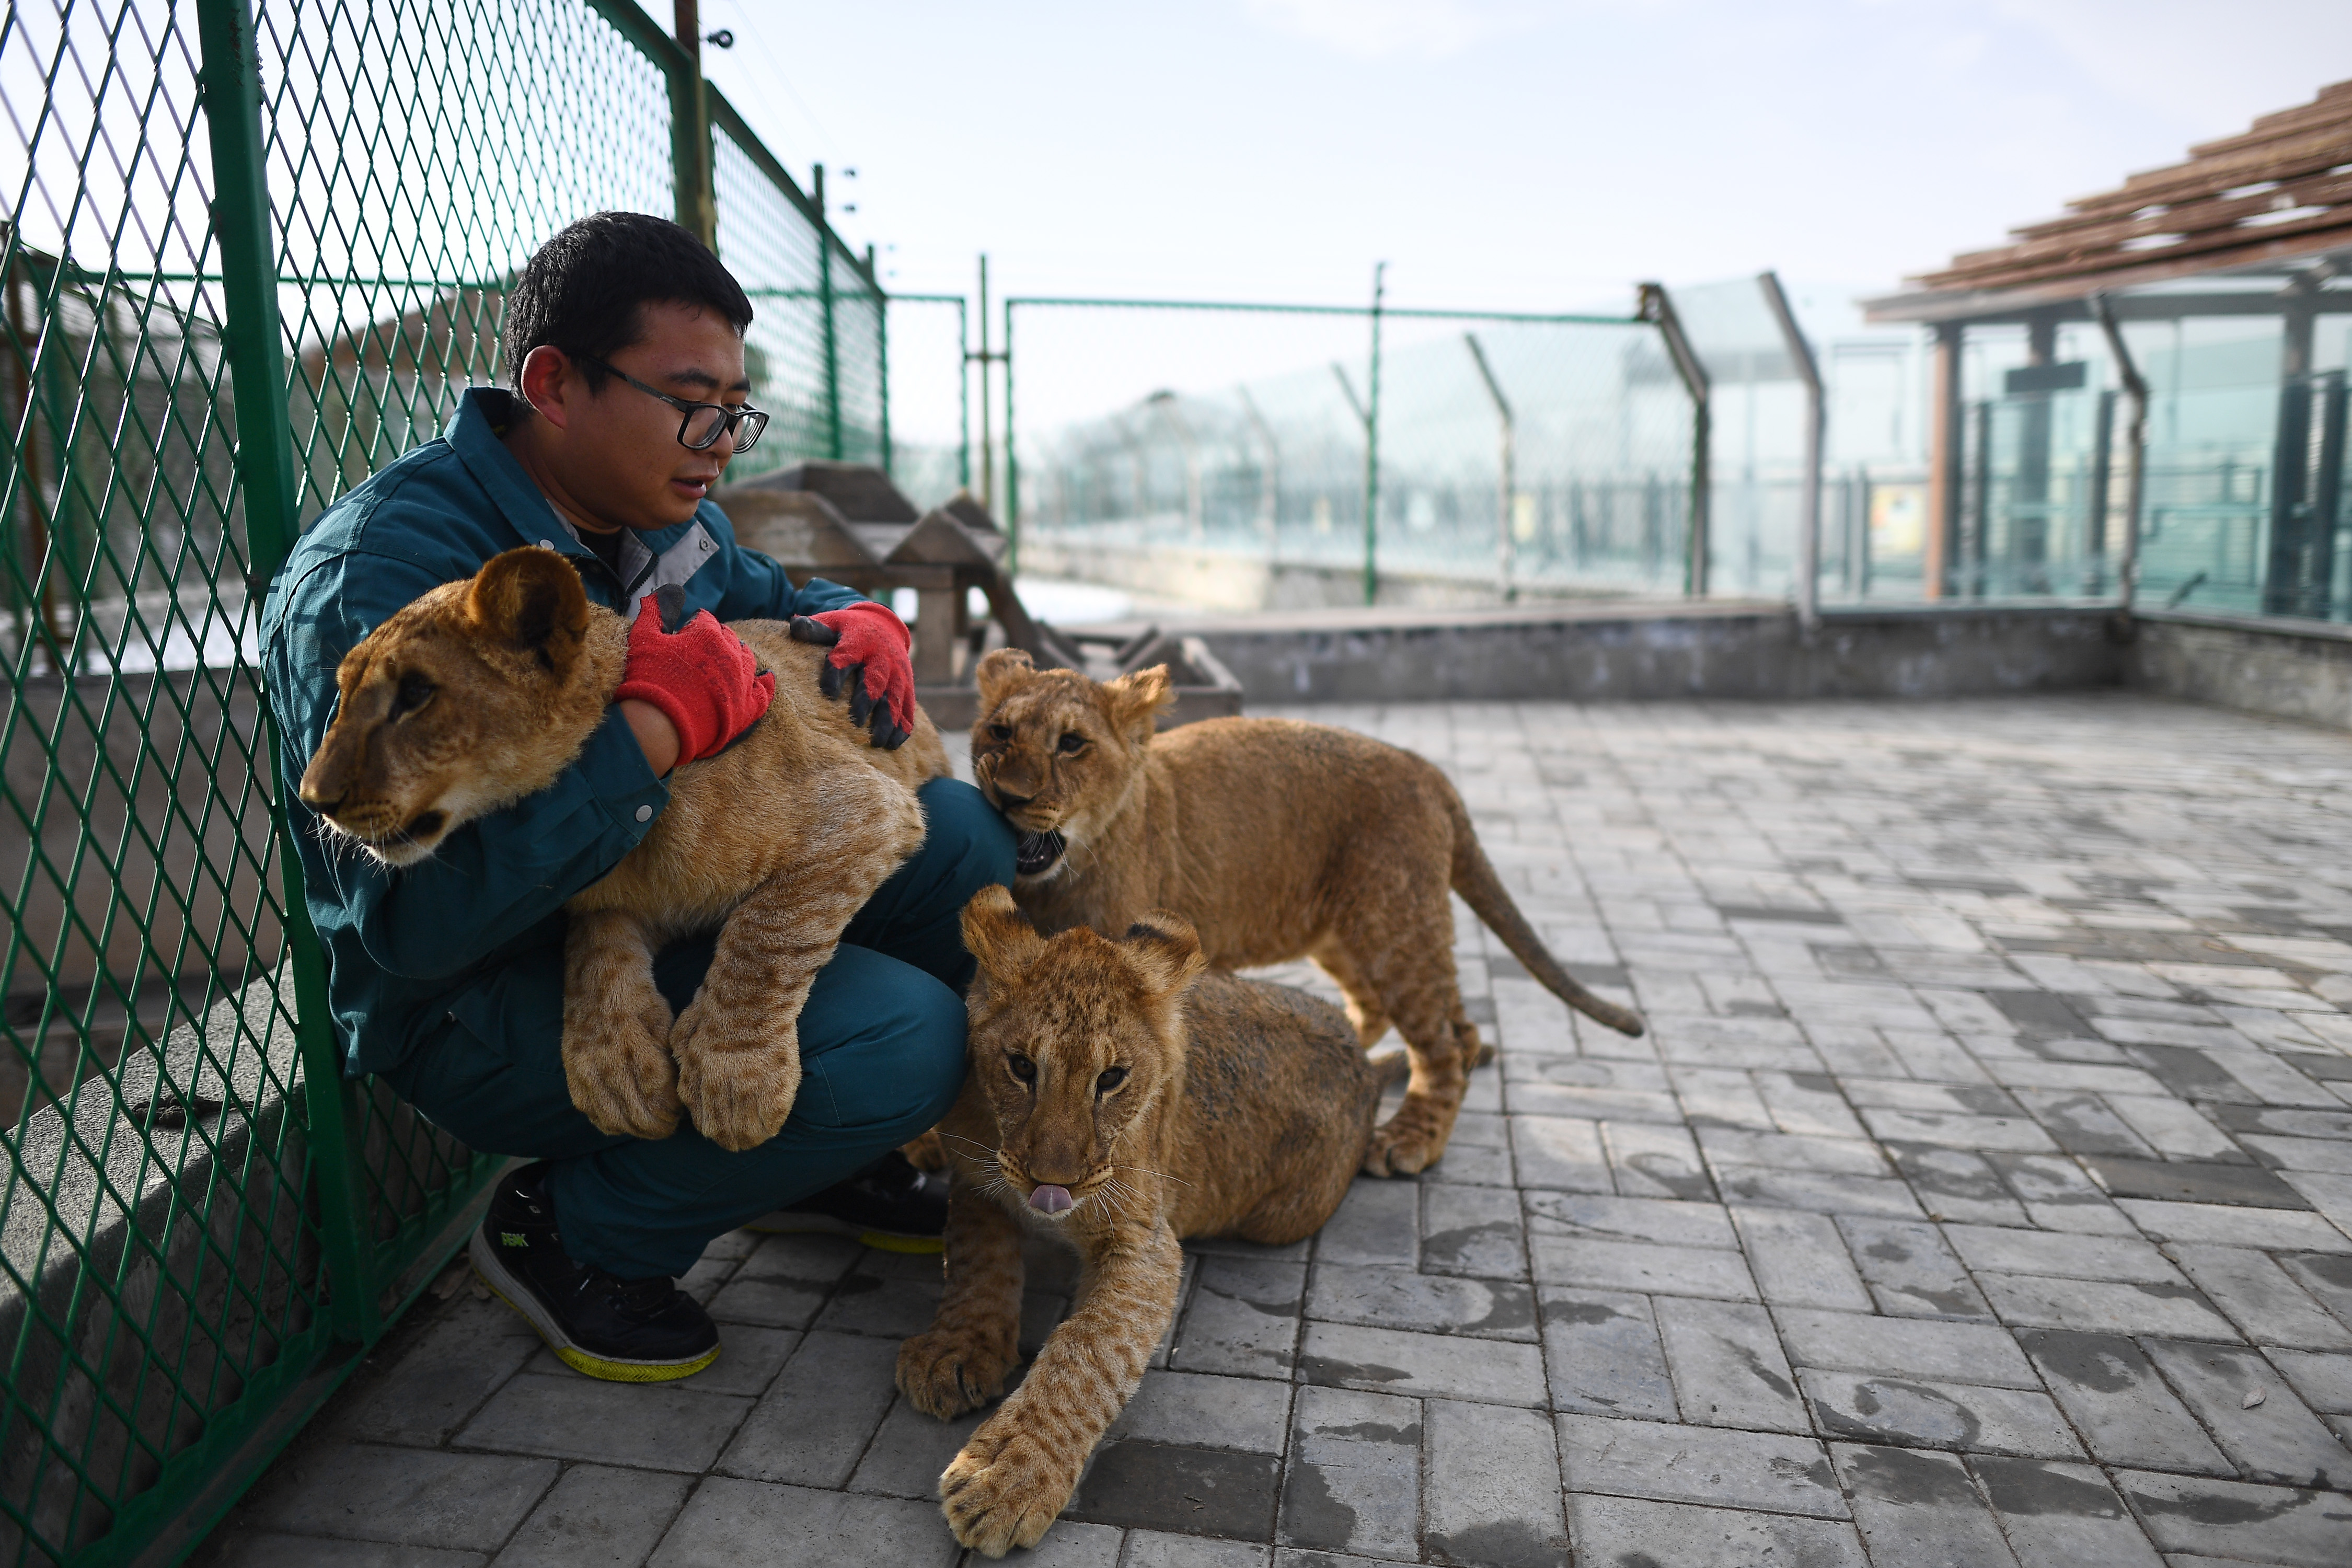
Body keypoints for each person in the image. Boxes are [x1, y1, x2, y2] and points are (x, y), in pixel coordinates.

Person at [262, 211, 1014, 1382]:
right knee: (898, 1041)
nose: (722, 440)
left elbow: (778, 590)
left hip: (656, 894)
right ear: (554, 384)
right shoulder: (384, 575)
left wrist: (859, 616)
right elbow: (407, 926)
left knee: (964, 840)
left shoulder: (670, 519)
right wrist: (654, 733)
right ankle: (575, 1231)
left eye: (736, 409)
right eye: (690, 400)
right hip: (478, 994)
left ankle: (811, 1160)